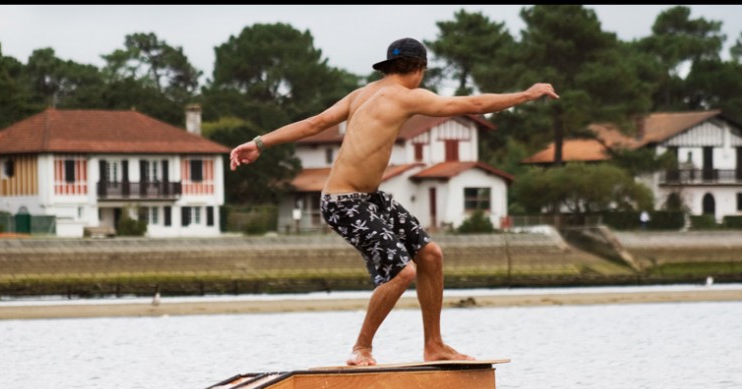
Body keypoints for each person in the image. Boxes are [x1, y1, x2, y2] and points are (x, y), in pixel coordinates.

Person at [230, 37, 559, 366]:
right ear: (419, 69)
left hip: (369, 199)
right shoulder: (406, 97)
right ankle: (361, 348)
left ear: (388, 67)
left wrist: (259, 142)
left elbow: (314, 124)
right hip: (343, 203)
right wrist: (526, 95)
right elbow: (473, 104)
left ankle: (434, 345)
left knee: (431, 255)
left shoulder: (361, 94)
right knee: (402, 272)